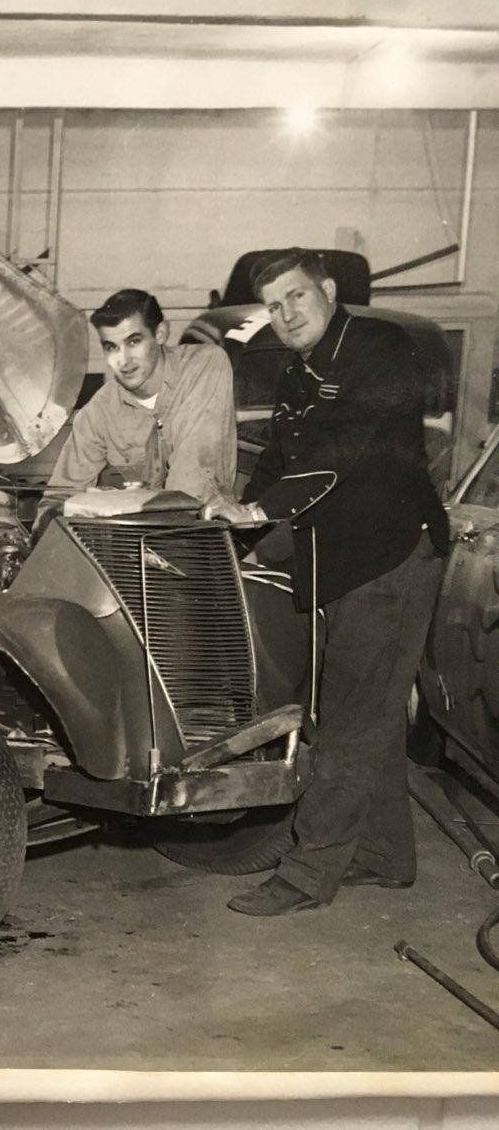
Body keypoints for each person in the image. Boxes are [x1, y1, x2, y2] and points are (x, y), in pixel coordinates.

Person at [202, 248, 448, 916]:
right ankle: (384, 855)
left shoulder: (380, 348)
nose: (286, 315)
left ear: (329, 291)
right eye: (275, 306)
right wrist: (237, 522)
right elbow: (280, 461)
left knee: (345, 718)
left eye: (297, 298)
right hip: (341, 560)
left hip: (393, 556)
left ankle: (309, 874)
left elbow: (348, 449)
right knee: (372, 717)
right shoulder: (295, 373)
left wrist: (263, 511)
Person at [44, 288, 236, 517]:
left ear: (161, 333)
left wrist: (113, 502)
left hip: (207, 531)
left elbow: (189, 491)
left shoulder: (204, 365)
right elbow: (57, 497)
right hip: (143, 536)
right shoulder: (97, 413)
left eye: (133, 341)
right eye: (111, 347)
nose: (123, 360)